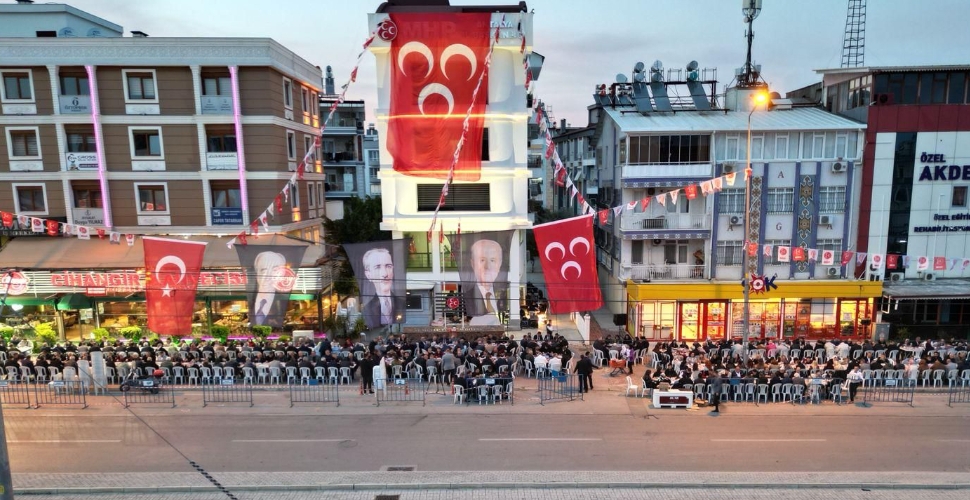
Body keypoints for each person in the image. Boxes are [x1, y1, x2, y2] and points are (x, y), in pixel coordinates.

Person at [360, 247, 404, 330]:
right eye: (377, 267)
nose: (385, 274)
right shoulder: (366, 311)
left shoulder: (403, 304)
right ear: (368, 275)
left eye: (388, 266)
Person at [464, 239, 505, 325]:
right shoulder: (466, 296)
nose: (487, 266)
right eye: (482, 260)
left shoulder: (504, 293)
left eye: (492, 260)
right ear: (473, 264)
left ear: (500, 264)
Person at [251, 251, 287, 327]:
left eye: (275, 270)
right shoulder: (251, 299)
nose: (268, 276)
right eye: (264, 271)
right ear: (257, 275)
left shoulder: (284, 301)